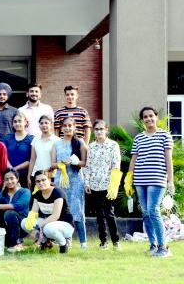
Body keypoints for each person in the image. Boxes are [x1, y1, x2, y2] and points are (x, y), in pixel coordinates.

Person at [125, 107, 175, 257]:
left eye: (151, 116)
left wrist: (170, 181)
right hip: (140, 180)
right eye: (145, 117)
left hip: (157, 179)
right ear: (142, 121)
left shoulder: (164, 135)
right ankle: (153, 245)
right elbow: (134, 159)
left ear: (156, 117)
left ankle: (163, 247)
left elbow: (169, 160)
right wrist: (129, 179)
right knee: (146, 213)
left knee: (153, 211)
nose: (148, 119)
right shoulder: (139, 138)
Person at [83, 119, 122, 250]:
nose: (99, 131)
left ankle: (116, 241)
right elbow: (87, 166)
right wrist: (87, 183)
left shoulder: (113, 145)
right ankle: (103, 241)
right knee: (99, 215)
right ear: (94, 131)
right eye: (97, 129)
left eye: (102, 129)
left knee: (109, 213)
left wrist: (114, 185)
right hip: (94, 185)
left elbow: (116, 165)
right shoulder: (91, 147)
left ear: (106, 130)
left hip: (108, 185)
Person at [52, 117, 88, 249]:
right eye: (65, 126)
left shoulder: (80, 143)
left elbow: (84, 162)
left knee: (77, 210)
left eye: (70, 126)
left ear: (74, 128)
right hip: (61, 180)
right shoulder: (56, 144)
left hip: (76, 180)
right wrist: (61, 163)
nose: (67, 128)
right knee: (63, 209)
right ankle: (67, 239)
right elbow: (53, 164)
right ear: (61, 128)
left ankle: (83, 241)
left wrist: (74, 162)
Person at [21, 170, 75, 253]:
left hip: (65, 225)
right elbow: (34, 213)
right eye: (38, 181)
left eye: (43, 180)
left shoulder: (58, 192)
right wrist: (31, 225)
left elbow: (55, 216)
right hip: (49, 223)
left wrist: (36, 229)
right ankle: (45, 242)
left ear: (49, 180)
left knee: (47, 228)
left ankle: (64, 244)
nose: (41, 183)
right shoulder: (37, 194)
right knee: (25, 222)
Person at [0, 169, 31, 252]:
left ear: (17, 179)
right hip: (6, 227)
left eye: (12, 178)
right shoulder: (1, 194)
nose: (9, 181)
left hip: (21, 225)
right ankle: (7, 241)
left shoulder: (25, 191)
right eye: (6, 179)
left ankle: (17, 243)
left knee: (10, 213)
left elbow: (18, 206)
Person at [2, 111, 34, 189]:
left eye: (20, 121)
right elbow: (4, 156)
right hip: (9, 176)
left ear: (25, 122)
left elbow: (31, 159)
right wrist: (11, 170)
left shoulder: (32, 139)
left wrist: (15, 169)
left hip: (24, 175)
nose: (17, 123)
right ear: (12, 124)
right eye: (15, 121)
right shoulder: (7, 138)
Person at [27, 115, 60, 189]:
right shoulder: (35, 139)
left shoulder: (57, 141)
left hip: (50, 176)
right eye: (41, 123)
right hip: (36, 175)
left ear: (51, 124)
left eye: (46, 123)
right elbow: (32, 159)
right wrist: (29, 176)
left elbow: (58, 161)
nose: (44, 125)